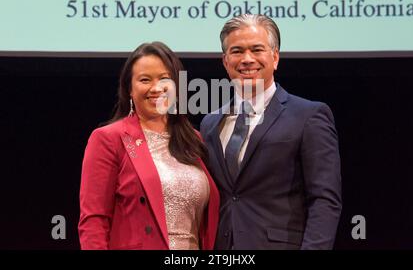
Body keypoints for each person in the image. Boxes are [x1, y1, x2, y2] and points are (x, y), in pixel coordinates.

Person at [200, 14, 342, 250]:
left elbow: (324, 200)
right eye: (237, 51)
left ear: (275, 57)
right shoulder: (211, 123)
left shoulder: (309, 116)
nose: (247, 59)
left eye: (257, 49)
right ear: (225, 61)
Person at [79, 42, 219, 250]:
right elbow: (94, 222)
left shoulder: (195, 140)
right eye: (145, 80)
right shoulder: (109, 139)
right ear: (129, 89)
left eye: (165, 79)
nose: (156, 88)